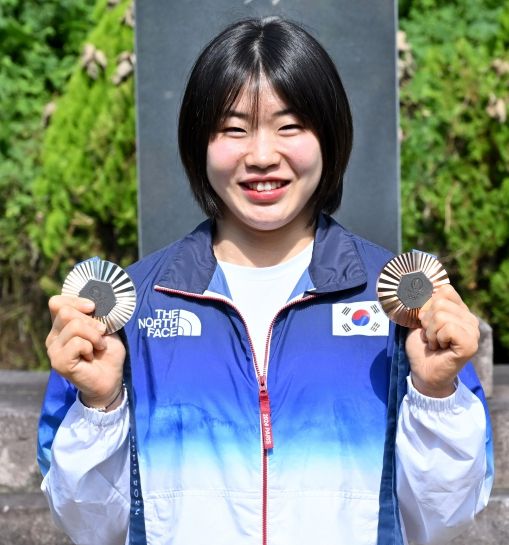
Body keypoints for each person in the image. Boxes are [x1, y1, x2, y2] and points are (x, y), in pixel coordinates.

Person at [38, 16, 493, 545]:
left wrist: (435, 393)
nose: (260, 156)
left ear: (330, 135)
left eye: (290, 126)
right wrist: (100, 405)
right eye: (234, 129)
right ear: (198, 142)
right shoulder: (131, 313)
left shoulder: (402, 309)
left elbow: (443, 519)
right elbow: (91, 528)